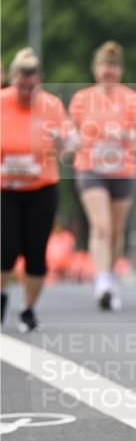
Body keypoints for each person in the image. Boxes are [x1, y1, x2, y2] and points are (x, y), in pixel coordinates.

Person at [69, 41, 136, 311]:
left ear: (120, 70)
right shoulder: (82, 99)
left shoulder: (131, 99)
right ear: (95, 70)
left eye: (113, 66)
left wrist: (124, 135)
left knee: (115, 232)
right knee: (101, 226)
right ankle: (101, 280)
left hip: (122, 171)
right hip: (90, 168)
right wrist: (73, 140)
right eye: (103, 65)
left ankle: (110, 278)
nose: (108, 71)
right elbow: (71, 132)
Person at [1, 48, 71, 330]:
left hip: (41, 187)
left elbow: (68, 150)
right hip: (6, 188)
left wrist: (60, 143)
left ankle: (28, 308)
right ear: (13, 79)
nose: (26, 92)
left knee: (35, 251)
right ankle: (2, 293)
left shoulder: (51, 105)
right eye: (21, 86)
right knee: (5, 248)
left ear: (39, 81)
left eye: (32, 87)